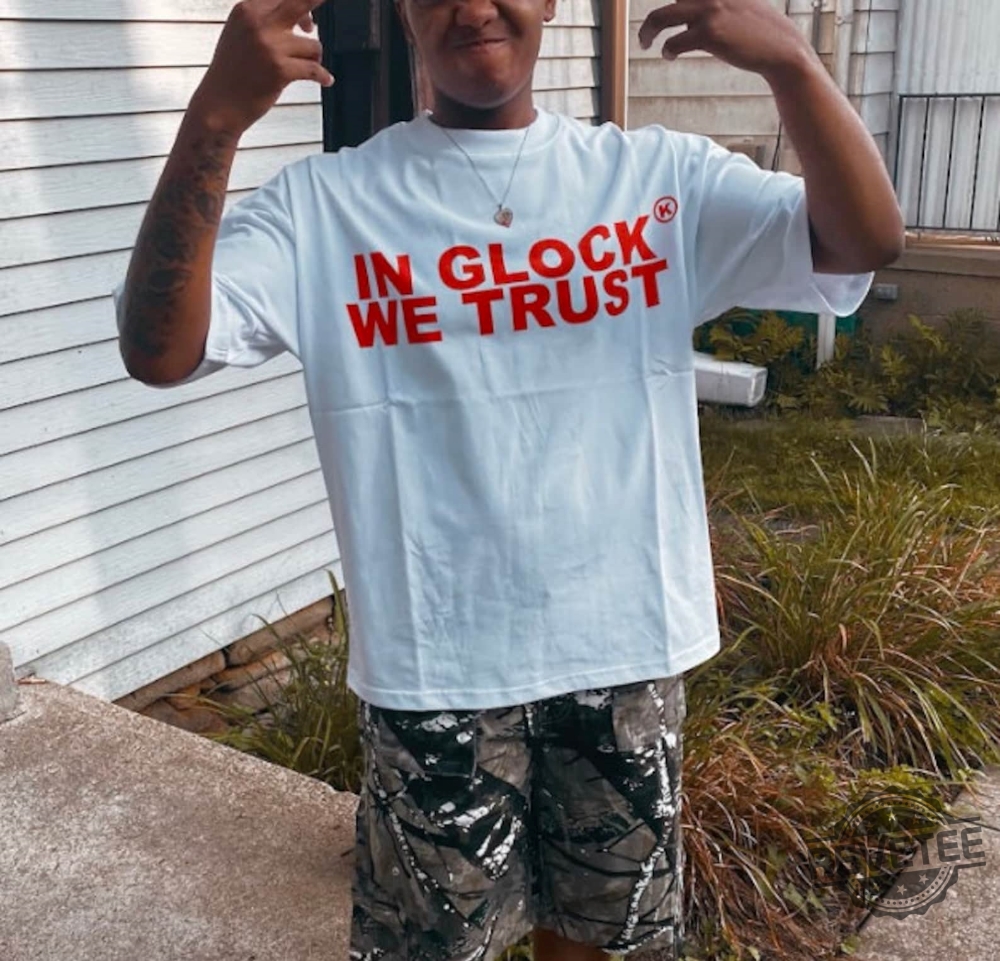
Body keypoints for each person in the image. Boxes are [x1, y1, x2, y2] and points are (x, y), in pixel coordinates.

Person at [115, 1, 904, 958]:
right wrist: (215, 117)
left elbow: (863, 240)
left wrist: (793, 65)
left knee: (602, 942)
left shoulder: (656, 180)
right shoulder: (325, 207)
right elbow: (160, 349)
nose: (477, 5)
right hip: (435, 669)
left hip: (623, 649)